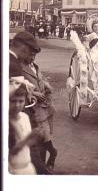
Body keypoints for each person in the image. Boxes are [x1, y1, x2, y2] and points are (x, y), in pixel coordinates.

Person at [19, 36, 58, 172]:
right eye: (30, 55)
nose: (33, 57)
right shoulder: (19, 68)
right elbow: (19, 85)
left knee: (43, 135)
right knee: (41, 135)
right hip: (32, 106)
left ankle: (48, 158)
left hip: (44, 105)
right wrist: (35, 94)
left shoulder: (35, 66)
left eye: (34, 55)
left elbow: (39, 79)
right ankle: (50, 156)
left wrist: (46, 85)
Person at [9, 78, 40, 174]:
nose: (17, 105)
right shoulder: (7, 122)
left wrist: (35, 137)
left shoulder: (25, 117)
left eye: (21, 101)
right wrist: (28, 138)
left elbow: (26, 146)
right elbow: (10, 152)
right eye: (13, 101)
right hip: (14, 170)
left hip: (28, 167)